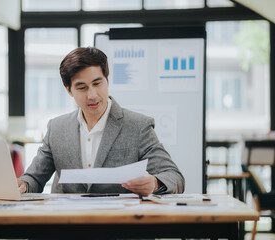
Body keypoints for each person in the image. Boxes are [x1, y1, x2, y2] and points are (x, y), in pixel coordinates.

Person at [18, 47, 184, 196]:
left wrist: (155, 183)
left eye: (97, 83)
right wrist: (23, 185)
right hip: (68, 224)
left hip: (119, 223)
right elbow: (34, 178)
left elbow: (174, 177)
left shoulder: (138, 126)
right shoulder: (57, 128)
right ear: (69, 90)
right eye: (82, 88)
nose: (92, 95)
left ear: (107, 81)